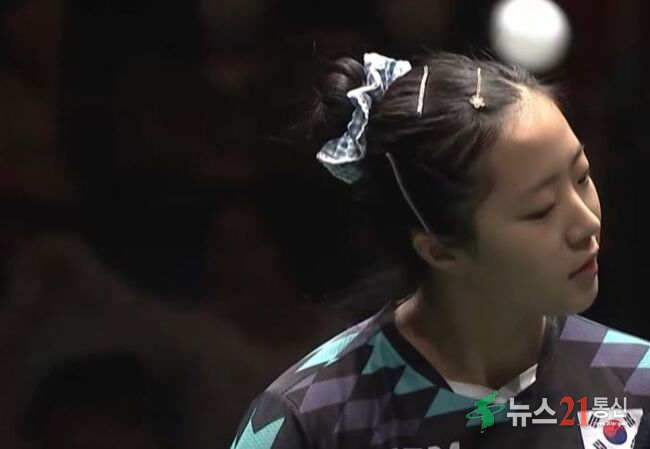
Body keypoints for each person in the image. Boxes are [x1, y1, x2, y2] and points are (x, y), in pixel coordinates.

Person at [230, 51, 650, 448]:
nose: (587, 223)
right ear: (441, 250)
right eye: (540, 210)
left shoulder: (636, 382)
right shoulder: (308, 419)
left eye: (581, 177)